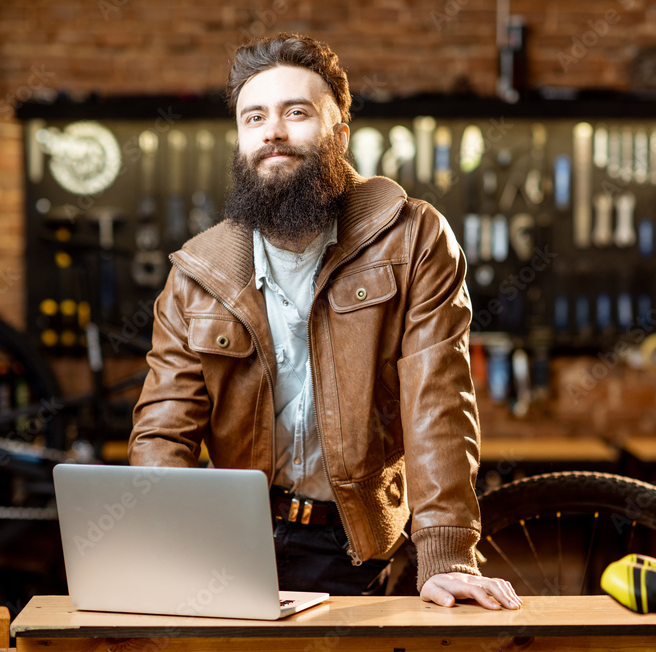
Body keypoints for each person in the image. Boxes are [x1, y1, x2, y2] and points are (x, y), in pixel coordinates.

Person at [128, 33, 521, 611]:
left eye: (297, 112)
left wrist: (444, 554)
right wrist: (157, 545)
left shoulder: (413, 238)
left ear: (340, 134)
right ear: (240, 141)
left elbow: (437, 401)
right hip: (232, 543)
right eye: (254, 117)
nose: (273, 131)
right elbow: (165, 428)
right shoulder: (196, 274)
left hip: (355, 540)